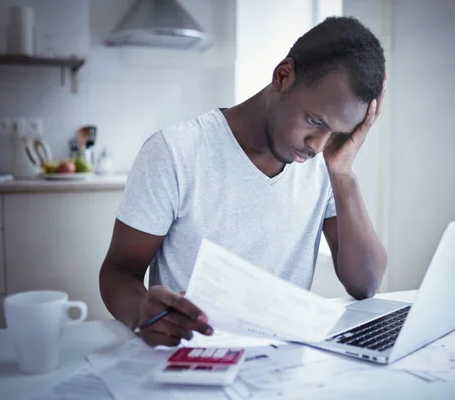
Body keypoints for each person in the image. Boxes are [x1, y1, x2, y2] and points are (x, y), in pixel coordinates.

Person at [99, 16, 388, 347]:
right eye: (314, 121)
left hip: (281, 363)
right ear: (283, 76)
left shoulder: (326, 163)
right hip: (191, 355)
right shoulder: (175, 151)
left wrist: (343, 175)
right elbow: (119, 271)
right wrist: (141, 310)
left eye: (336, 132)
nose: (317, 145)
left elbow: (364, 285)